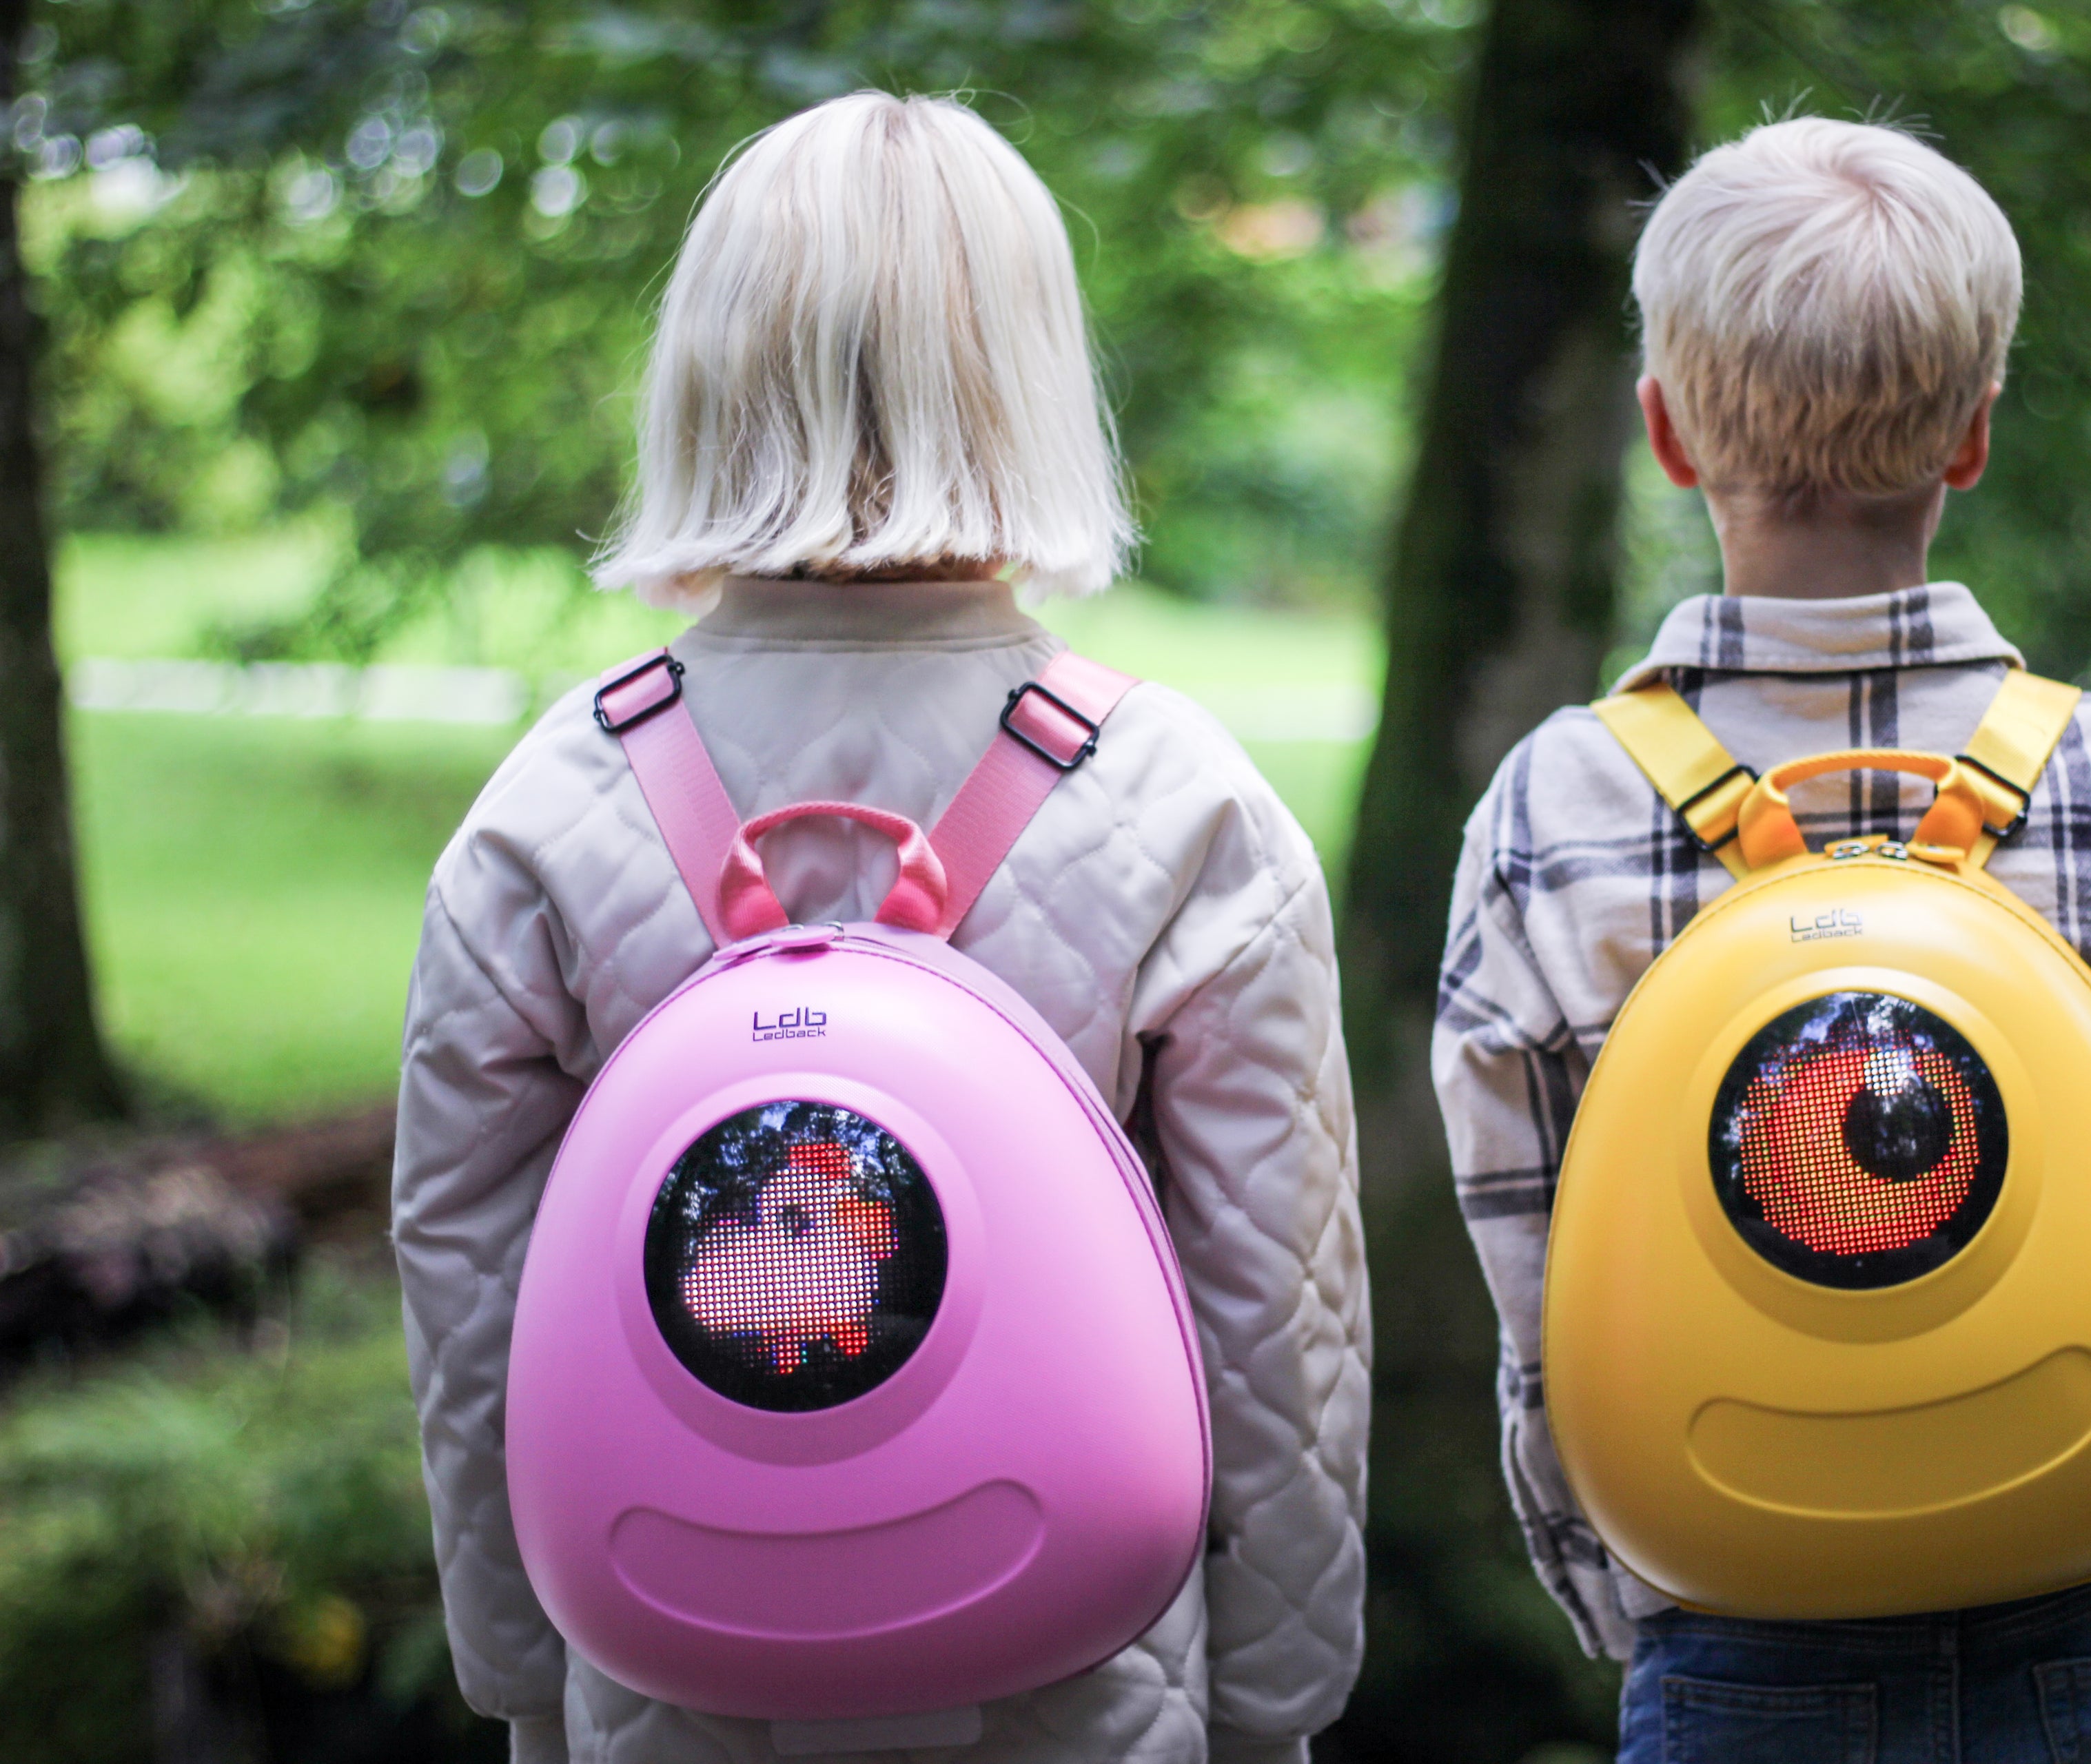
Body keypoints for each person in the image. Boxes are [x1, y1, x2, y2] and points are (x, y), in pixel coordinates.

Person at [392, 92, 1369, 1764]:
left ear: (703, 374)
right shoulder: (1180, 800)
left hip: (675, 1665)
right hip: (1080, 1673)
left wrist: (523, 1672)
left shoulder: (550, 804)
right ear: (1031, 383)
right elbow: (1276, 1308)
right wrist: (1280, 1695)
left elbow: (470, 1288)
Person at [1430, 116, 2091, 1764]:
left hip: (1730, 1612)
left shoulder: (1551, 812)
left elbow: (1544, 1290)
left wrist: (1622, 1592)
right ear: (1974, 436)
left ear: (1666, 432)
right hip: (2088, 1604)